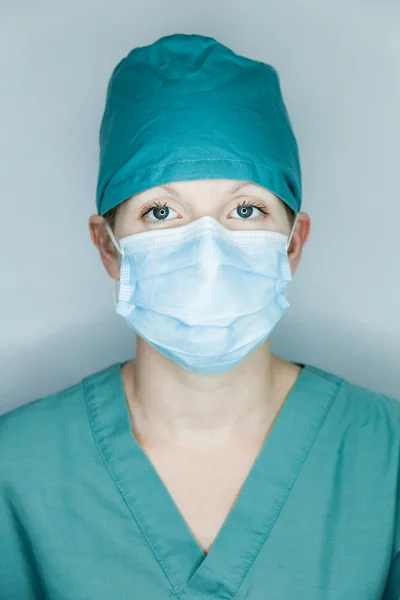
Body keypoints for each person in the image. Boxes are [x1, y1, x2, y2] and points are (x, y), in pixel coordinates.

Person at [1, 32, 399, 600]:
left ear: (293, 243)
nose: (208, 252)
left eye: (246, 208)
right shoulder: (16, 470)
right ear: (109, 247)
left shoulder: (385, 460)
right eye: (162, 211)